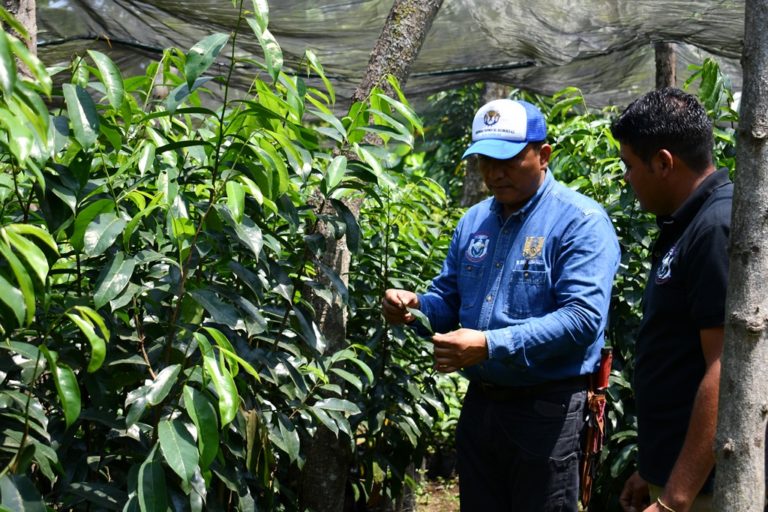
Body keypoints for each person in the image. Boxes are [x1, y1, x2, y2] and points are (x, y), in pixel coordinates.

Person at [381, 98, 620, 511]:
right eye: (484, 161)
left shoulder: (580, 221)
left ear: (543, 155)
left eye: (508, 159)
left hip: (546, 412)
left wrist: (489, 345)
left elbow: (582, 319)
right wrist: (415, 305)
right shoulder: (473, 222)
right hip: (481, 408)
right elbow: (448, 300)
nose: (494, 173)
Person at [612, 88, 733, 512]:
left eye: (628, 165)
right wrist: (655, 469)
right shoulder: (691, 223)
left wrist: (676, 497)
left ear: (663, 162)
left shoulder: (715, 228)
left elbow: (725, 368)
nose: (626, 178)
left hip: (709, 489)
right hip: (688, 479)